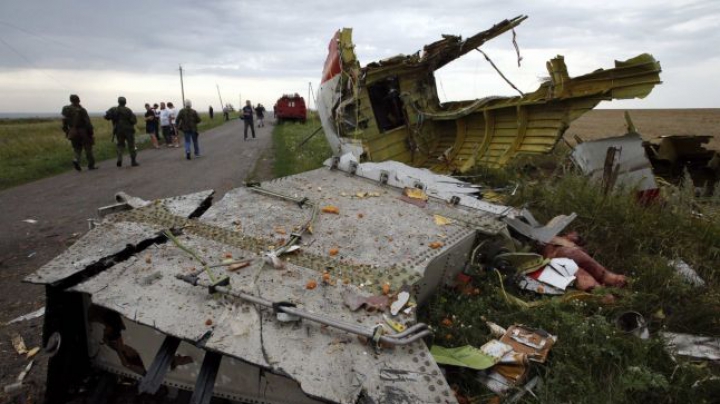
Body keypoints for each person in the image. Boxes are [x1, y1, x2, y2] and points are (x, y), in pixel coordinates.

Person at [61, 94, 96, 171]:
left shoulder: (66, 110)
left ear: (71, 100)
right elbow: (87, 122)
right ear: (78, 100)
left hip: (73, 131)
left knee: (77, 148)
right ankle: (91, 165)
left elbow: (64, 121)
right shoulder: (82, 110)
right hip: (83, 131)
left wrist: (67, 131)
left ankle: (76, 160)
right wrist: (91, 132)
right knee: (88, 148)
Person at [104, 96, 139, 167]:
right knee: (131, 145)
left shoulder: (113, 109)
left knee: (120, 145)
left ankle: (119, 159)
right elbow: (133, 121)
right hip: (128, 130)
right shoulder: (128, 110)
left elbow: (107, 117)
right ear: (125, 102)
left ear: (118, 102)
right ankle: (133, 161)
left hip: (118, 130)